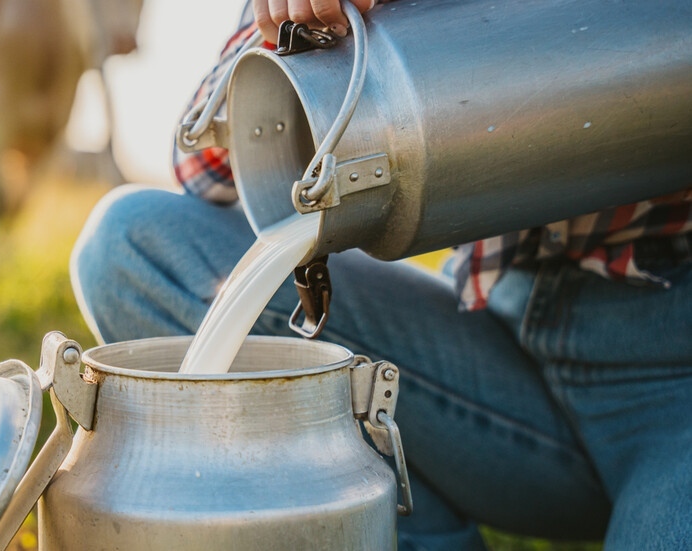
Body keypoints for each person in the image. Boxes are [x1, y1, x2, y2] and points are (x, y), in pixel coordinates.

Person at [70, 0, 692, 549]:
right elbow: (204, 166)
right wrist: (306, 23)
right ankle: (412, 535)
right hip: (502, 354)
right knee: (131, 250)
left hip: (673, 375)